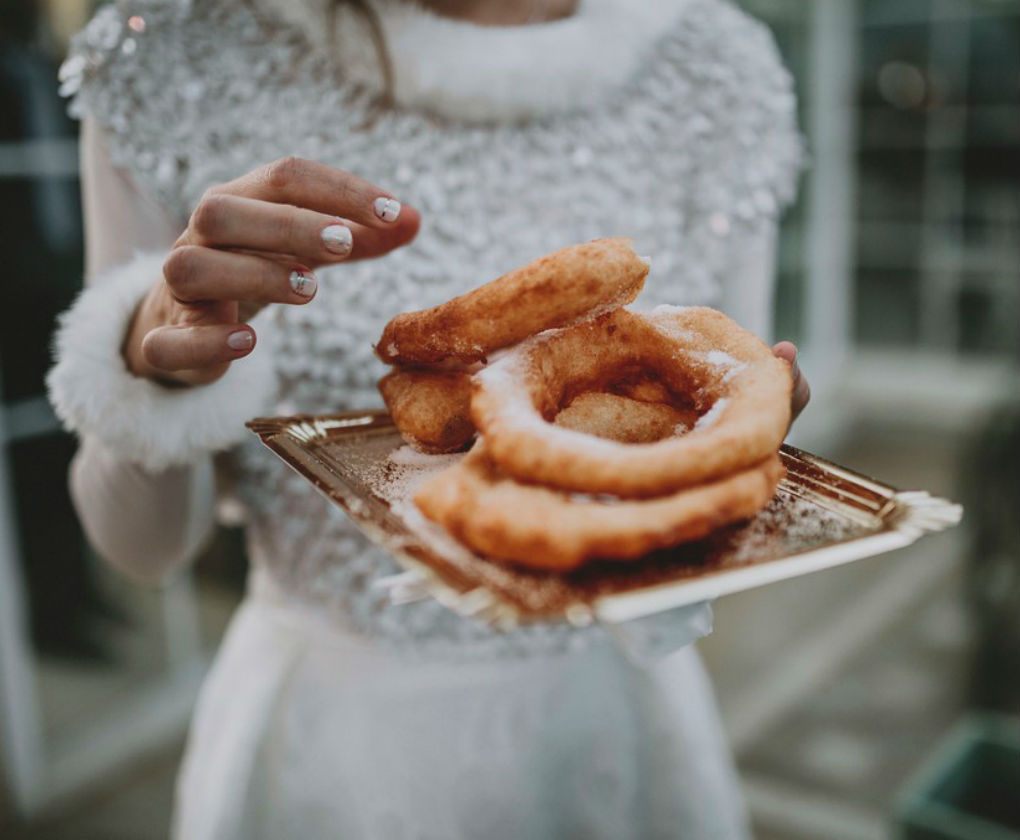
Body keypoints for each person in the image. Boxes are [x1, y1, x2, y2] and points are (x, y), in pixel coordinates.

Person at [49, 0, 809, 836]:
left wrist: (743, 463)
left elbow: (726, 407)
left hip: (609, 723)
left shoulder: (716, 66)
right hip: (328, 745)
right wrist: (149, 369)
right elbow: (144, 550)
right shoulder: (173, 48)